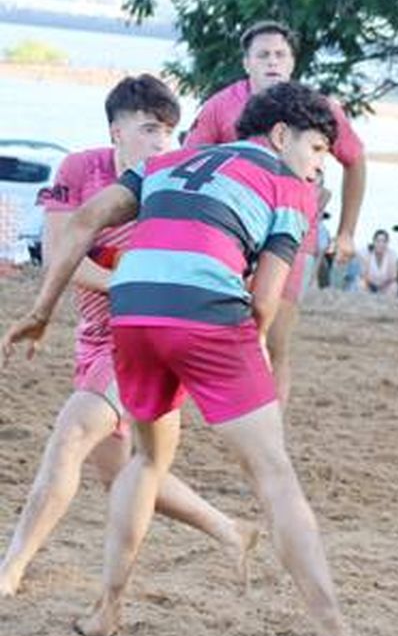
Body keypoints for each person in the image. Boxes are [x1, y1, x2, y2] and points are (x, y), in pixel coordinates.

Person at [3, 82, 391, 636]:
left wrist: (40, 312)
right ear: (282, 135)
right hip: (207, 313)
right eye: (317, 150)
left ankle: (108, 607)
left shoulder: (169, 160)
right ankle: (334, 630)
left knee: (147, 459)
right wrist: (251, 355)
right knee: (273, 472)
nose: (319, 168)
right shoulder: (292, 189)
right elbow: (264, 299)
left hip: (132, 313)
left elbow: (83, 221)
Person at [0, 75, 256, 596]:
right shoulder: (80, 169)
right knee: (124, 472)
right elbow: (59, 254)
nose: (162, 143)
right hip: (95, 335)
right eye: (148, 130)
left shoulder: (174, 180)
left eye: (168, 131)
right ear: (115, 131)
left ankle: (11, 569)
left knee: (69, 437)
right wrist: (113, 285)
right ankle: (231, 529)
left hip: (147, 337)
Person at [185, 20, 367, 406]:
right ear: (246, 62)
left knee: (272, 339)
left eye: (280, 55)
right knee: (213, 329)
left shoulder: (318, 108)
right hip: (229, 235)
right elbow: (189, 159)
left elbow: (355, 159)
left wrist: (347, 232)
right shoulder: (221, 106)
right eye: (262, 55)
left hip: (292, 234)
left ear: (292, 62)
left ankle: (268, 425)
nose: (272, 62)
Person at [359, 229, 398, 297]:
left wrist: (382, 287)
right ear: (374, 242)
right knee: (361, 284)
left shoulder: (392, 255)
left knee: (394, 286)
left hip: (385, 286)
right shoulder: (367, 253)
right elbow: (363, 274)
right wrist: (371, 285)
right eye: (378, 241)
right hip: (370, 285)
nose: (381, 244)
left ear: (387, 243)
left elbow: (393, 277)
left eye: (384, 241)